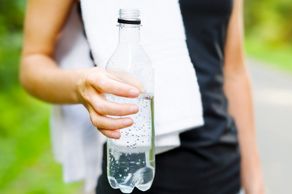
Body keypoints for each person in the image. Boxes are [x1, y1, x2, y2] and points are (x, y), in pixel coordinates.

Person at [20, 0, 265, 193]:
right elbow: (32, 62)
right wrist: (80, 86)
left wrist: (254, 181)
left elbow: (233, 71)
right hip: (130, 172)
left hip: (222, 171)